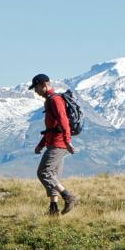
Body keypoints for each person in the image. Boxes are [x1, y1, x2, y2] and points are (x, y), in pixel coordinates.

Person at [29, 73, 78, 216]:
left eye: (36, 87)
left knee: (44, 173)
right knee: (53, 176)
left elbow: (63, 121)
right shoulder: (49, 100)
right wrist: (41, 144)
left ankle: (68, 196)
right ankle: (53, 209)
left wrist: (67, 141)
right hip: (54, 142)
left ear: (43, 85)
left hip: (58, 144)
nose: (35, 91)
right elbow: (52, 127)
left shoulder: (55, 100)